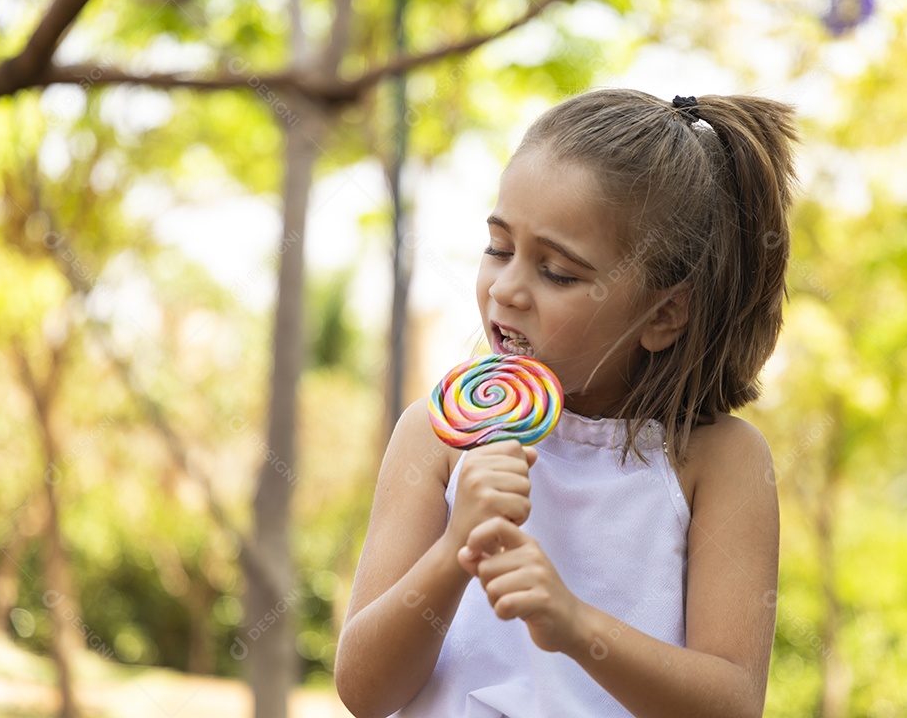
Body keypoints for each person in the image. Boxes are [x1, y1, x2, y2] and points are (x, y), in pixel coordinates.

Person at [335, 88, 798, 718]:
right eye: (499, 248)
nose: (506, 288)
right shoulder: (437, 436)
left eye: (557, 272)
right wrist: (455, 551)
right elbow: (363, 689)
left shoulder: (717, 460)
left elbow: (732, 701)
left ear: (664, 314)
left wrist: (575, 626)